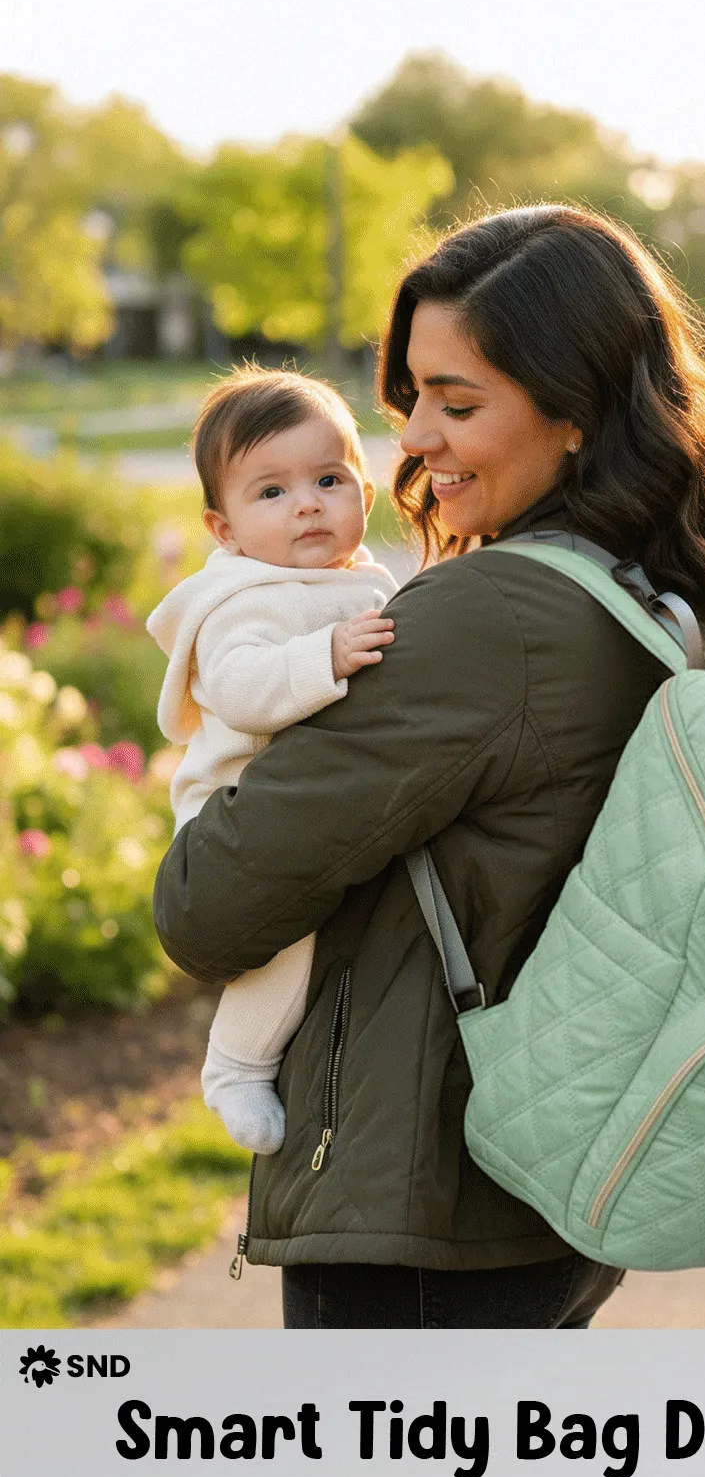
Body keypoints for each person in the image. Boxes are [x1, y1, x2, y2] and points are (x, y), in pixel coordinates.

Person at [153, 204, 705, 1329]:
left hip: (420, 1209)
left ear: (574, 411)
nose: (416, 440)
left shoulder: (489, 620)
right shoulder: (650, 594)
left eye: (459, 402)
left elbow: (205, 904)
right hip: (544, 1183)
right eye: (412, 400)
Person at [149, 365, 394, 1159]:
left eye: (329, 480)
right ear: (224, 531)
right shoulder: (244, 599)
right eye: (272, 492)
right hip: (234, 810)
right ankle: (235, 1065)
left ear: (365, 491)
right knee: (289, 939)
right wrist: (326, 655)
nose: (307, 504)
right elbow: (242, 689)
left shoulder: (357, 581)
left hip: (312, 802)